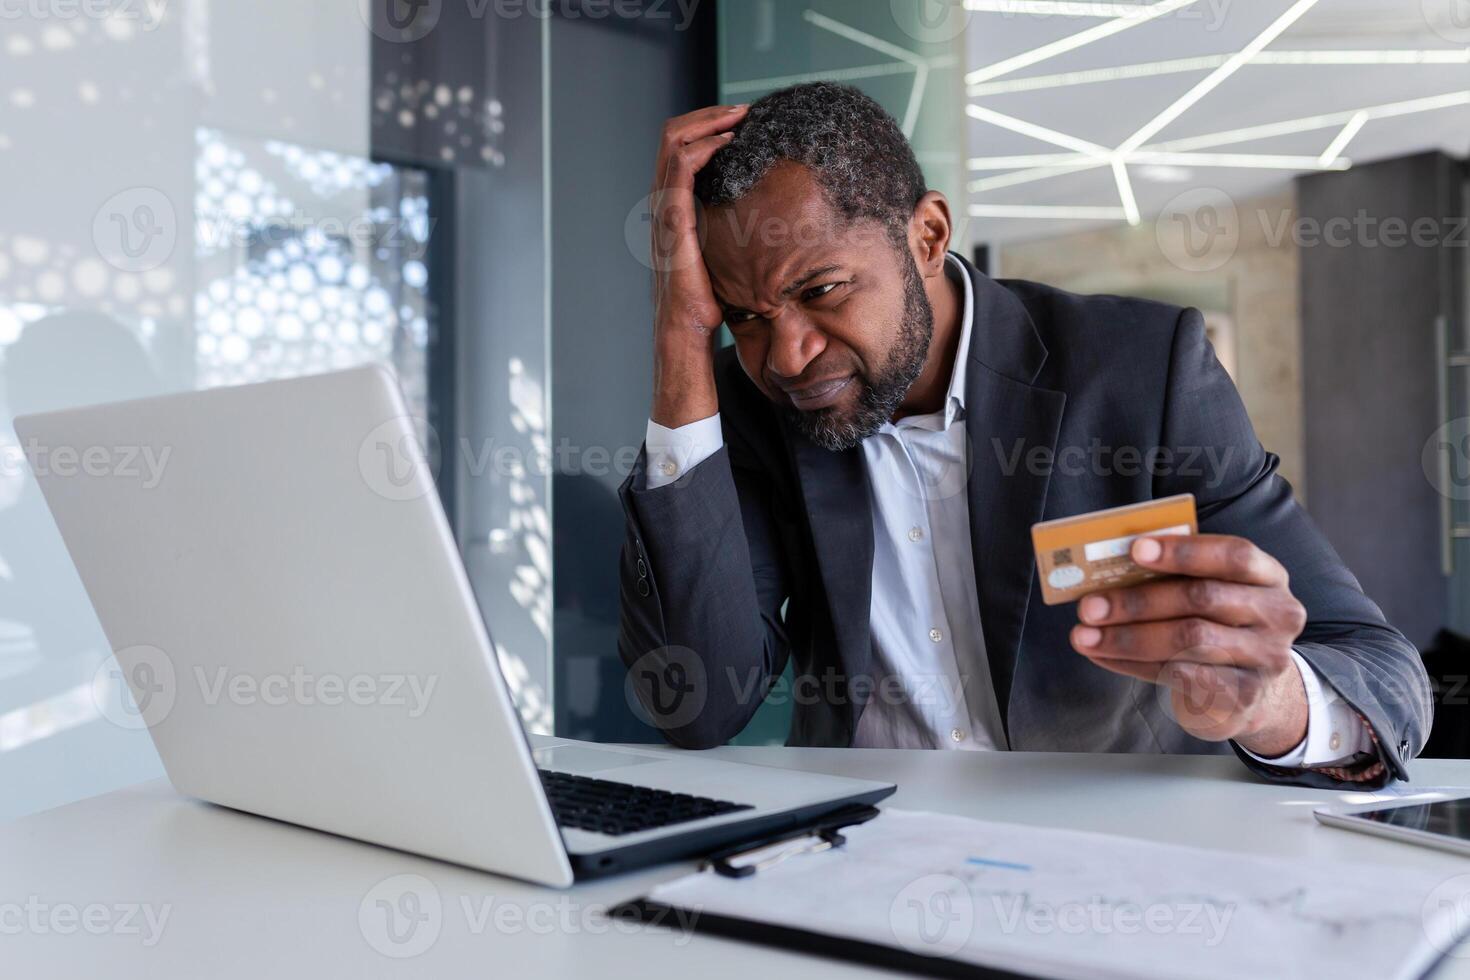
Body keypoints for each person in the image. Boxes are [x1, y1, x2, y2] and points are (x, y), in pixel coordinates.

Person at [617, 82, 1430, 788]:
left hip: (1114, 864)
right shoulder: (748, 406)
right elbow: (695, 707)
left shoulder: (1143, 372)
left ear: (927, 237)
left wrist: (1271, 702)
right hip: (864, 859)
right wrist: (678, 337)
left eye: (822, 290)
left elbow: (1387, 678)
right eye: (747, 318)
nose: (787, 354)